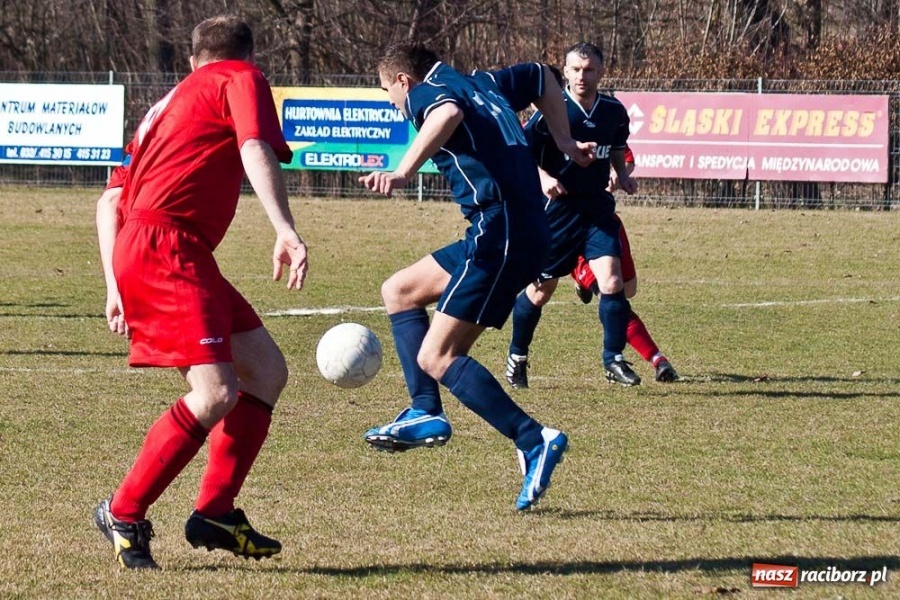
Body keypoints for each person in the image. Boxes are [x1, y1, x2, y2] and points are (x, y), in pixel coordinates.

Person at [93, 15, 308, 570]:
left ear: (193, 59)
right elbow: (255, 143)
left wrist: (115, 282)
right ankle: (123, 511)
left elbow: (108, 202)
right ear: (246, 56)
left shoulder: (165, 104)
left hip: (165, 248)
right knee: (215, 392)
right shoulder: (240, 77)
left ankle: (216, 510)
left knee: (265, 370)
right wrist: (284, 227)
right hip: (167, 247)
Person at [358, 42, 596, 511]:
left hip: (501, 234)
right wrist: (564, 141)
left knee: (438, 355)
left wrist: (404, 171)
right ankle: (425, 410)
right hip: (511, 229)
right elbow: (542, 77)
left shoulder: (431, 91)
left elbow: (445, 113)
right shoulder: (484, 82)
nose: (391, 102)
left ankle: (533, 438)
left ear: (404, 80)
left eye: (388, 91)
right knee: (400, 291)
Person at [506, 42, 640, 390]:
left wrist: (621, 175)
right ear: (565, 72)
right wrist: (545, 178)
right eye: (576, 70)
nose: (583, 76)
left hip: (596, 208)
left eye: (590, 69)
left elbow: (617, 148)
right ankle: (517, 356)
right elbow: (521, 155)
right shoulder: (549, 111)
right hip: (557, 213)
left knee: (612, 282)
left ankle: (613, 358)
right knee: (540, 291)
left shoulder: (613, 111)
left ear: (601, 72)